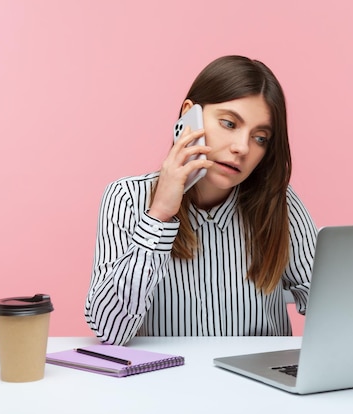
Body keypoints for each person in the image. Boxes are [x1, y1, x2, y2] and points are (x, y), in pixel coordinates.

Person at [84, 55, 318, 345]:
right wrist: (159, 216)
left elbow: (331, 302)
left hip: (258, 385)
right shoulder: (127, 198)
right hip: (166, 382)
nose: (242, 148)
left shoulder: (278, 202)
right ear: (188, 116)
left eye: (260, 138)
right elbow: (110, 330)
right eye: (229, 123)